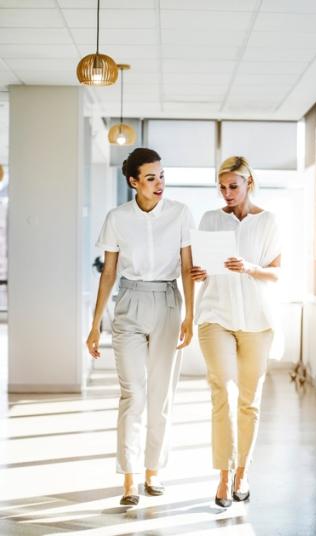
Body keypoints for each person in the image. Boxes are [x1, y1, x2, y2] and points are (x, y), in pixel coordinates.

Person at [86, 148, 195, 505]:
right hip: (129, 304)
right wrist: (94, 324)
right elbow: (109, 273)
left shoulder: (180, 214)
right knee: (133, 393)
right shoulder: (117, 218)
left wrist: (190, 315)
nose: (159, 183)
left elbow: (187, 268)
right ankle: (129, 477)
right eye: (151, 178)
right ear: (133, 182)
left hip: (167, 302)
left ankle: (154, 471)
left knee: (160, 395)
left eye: (162, 175)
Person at [191, 156, 281, 508]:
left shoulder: (268, 221)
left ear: (248, 184)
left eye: (233, 186)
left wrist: (250, 268)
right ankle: (223, 476)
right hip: (216, 314)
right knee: (222, 392)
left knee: (249, 401)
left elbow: (277, 273)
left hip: (257, 320)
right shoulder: (210, 219)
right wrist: (199, 273)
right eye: (222, 187)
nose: (227, 193)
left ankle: (243, 470)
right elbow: (201, 267)